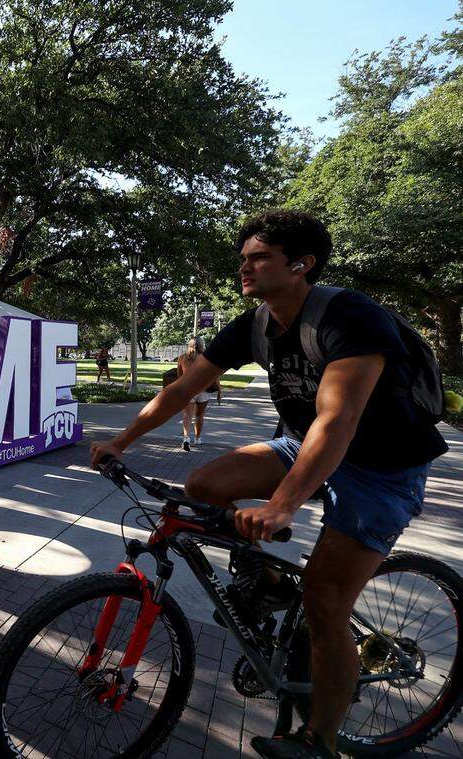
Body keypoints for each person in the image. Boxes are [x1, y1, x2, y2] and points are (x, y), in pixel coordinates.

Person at [90, 209, 447, 759]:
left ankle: (320, 739)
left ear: (301, 265)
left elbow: (338, 419)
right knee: (204, 484)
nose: (245, 268)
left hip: (381, 468)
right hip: (303, 447)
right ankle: (271, 587)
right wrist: (123, 440)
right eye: (243, 259)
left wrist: (282, 506)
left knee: (326, 602)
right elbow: (184, 389)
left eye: (259, 258)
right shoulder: (253, 325)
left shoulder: (350, 316)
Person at [176, 337, 221, 450]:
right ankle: (197, 438)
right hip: (203, 389)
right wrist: (220, 390)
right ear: (201, 346)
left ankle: (186, 438)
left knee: (187, 414)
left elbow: (179, 376)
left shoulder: (182, 358)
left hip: (188, 390)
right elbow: (214, 376)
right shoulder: (205, 358)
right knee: (199, 415)